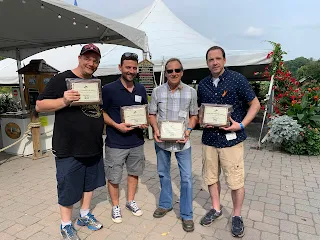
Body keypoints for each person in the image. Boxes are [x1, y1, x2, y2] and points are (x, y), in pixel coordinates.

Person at [36, 44, 106, 240]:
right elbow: (40, 105)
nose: (91, 63)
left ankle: (84, 215)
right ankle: (66, 224)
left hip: (92, 145)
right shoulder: (62, 79)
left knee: (89, 183)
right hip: (69, 148)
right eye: (88, 58)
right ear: (79, 58)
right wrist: (64, 100)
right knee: (67, 186)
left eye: (95, 61)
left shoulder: (95, 83)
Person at [197, 46, 261, 238]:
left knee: (235, 181)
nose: (214, 62)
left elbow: (255, 104)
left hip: (231, 141)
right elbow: (201, 109)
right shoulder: (203, 84)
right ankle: (216, 209)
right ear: (207, 63)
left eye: (218, 58)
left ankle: (236, 215)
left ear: (224, 60)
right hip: (209, 140)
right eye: (210, 59)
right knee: (211, 177)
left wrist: (241, 125)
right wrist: (202, 121)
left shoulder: (237, 79)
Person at [149, 58, 198, 232]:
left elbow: (194, 115)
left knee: (186, 178)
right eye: (170, 71)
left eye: (177, 70)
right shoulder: (157, 91)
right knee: (163, 174)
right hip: (162, 142)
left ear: (182, 72)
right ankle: (165, 204)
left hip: (183, 142)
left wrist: (188, 130)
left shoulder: (191, 92)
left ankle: (186, 215)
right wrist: (155, 128)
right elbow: (152, 113)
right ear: (166, 73)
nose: (174, 73)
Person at [102, 52, 148, 223]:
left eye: (134, 68)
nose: (131, 71)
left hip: (136, 142)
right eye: (128, 67)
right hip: (115, 143)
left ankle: (130, 201)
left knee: (134, 173)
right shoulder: (108, 89)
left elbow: (143, 110)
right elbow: (102, 112)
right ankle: (115, 206)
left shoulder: (141, 88)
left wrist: (144, 123)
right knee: (114, 176)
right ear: (120, 67)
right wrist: (116, 125)